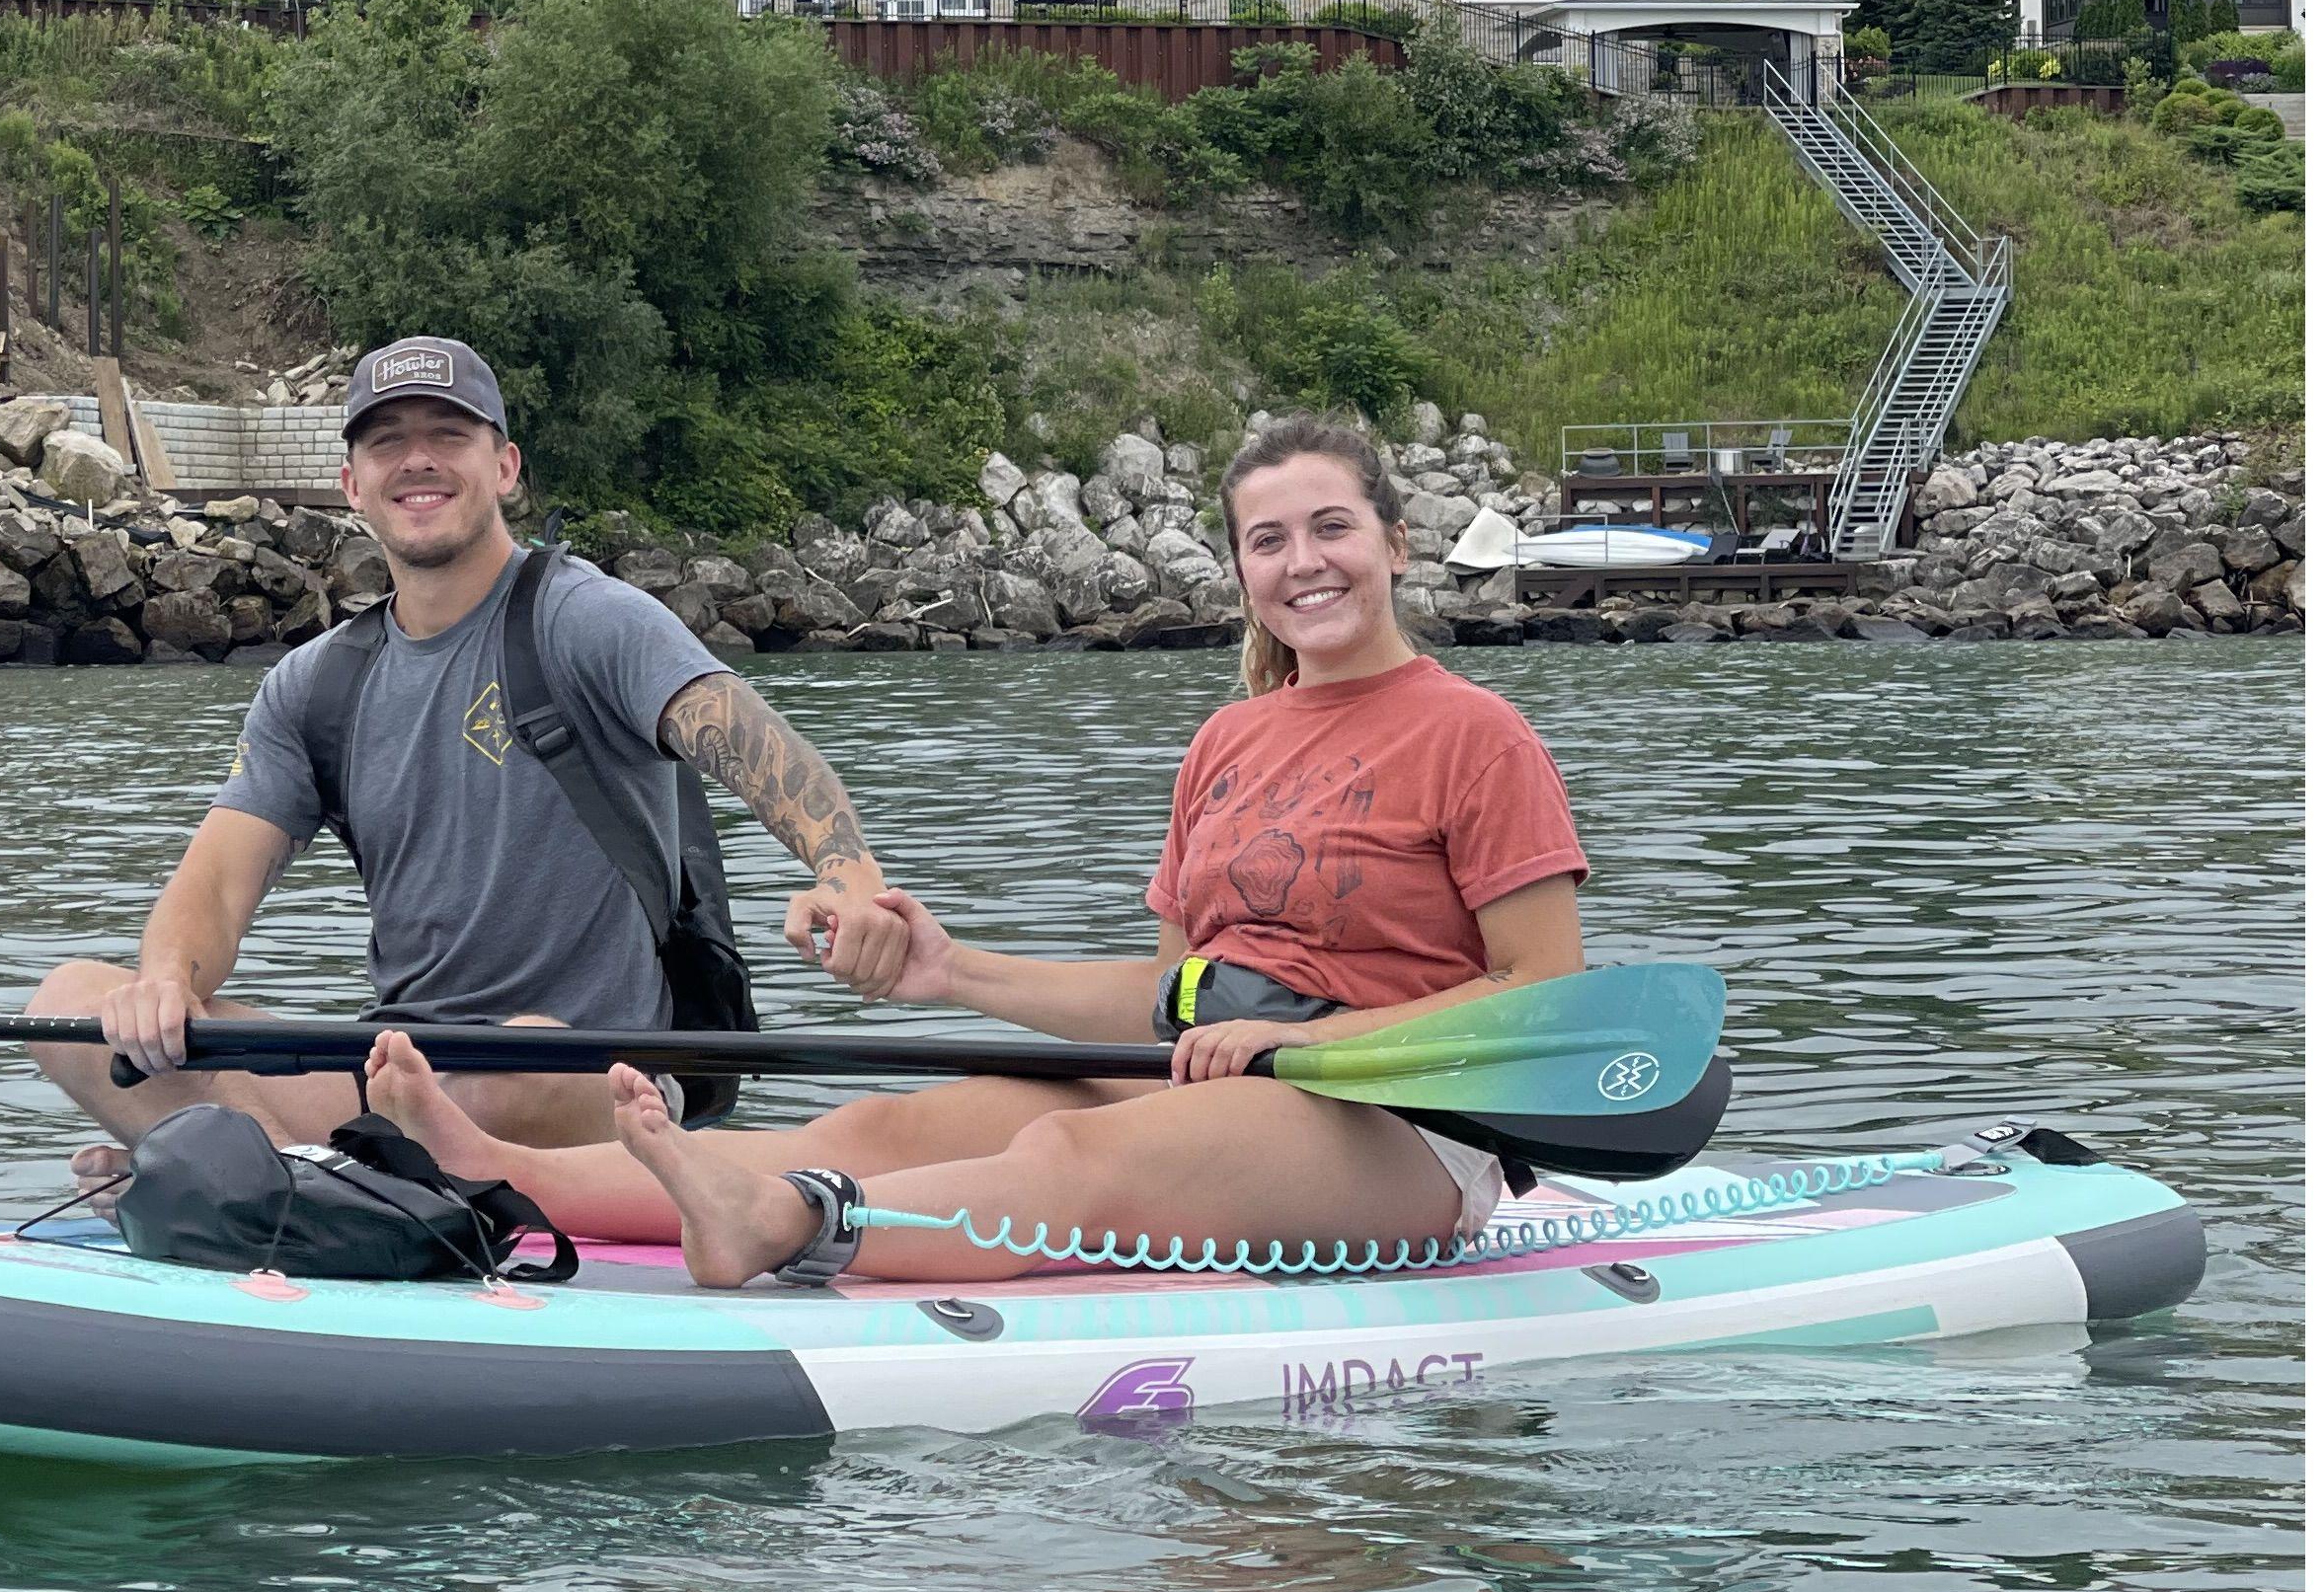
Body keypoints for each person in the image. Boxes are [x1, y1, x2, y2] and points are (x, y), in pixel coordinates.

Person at [361, 408, 1590, 1283]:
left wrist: (1301, 1039)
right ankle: (488, 1167)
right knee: (880, 1127)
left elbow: (1542, 999)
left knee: (1066, 1148)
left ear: (1395, 545)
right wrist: (952, 973)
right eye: (1268, 541)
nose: (1303, 563)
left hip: (1401, 1126)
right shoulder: (1227, 741)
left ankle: (780, 1225)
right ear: (1240, 569)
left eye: (1331, 529)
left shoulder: (1475, 736)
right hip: (1223, 1088)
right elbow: (1169, 1002)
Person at [20, 336, 910, 1171]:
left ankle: (271, 1171)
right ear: (352, 484)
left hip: (584, 1083)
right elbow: (213, 885)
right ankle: (299, 1179)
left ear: (505, 469)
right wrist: (163, 984)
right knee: (66, 1001)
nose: (419, 459)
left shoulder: (589, 619)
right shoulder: (312, 687)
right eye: (388, 442)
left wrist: (848, 871)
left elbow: (753, 741)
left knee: (506, 1060)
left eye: (450, 434)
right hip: (398, 1070)